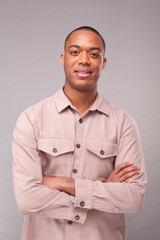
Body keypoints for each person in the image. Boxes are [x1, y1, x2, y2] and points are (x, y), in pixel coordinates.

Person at [12, 26, 146, 240]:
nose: (84, 60)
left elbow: (133, 198)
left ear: (103, 63)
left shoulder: (123, 123)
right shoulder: (31, 119)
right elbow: (28, 199)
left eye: (94, 54)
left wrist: (62, 183)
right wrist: (102, 193)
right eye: (75, 52)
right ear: (63, 59)